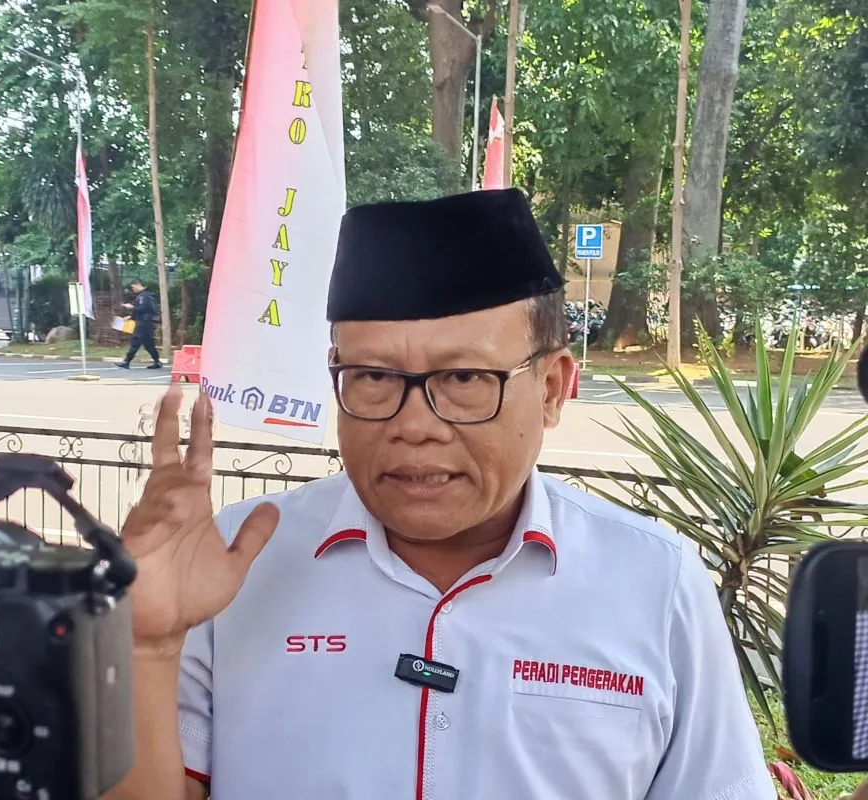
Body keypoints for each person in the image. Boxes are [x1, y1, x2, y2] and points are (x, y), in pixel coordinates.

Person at [104, 189, 775, 800]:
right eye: (372, 376)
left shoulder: (655, 585)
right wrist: (147, 646)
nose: (413, 425)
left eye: (462, 377)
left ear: (549, 389)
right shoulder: (230, 569)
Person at [119, 280, 162, 369]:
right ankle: (157, 361)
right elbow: (140, 311)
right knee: (149, 344)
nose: (133, 289)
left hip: (144, 324)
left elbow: (142, 309)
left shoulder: (144, 296)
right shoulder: (143, 296)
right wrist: (130, 317)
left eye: (133, 287)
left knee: (135, 342)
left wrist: (132, 307)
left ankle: (126, 361)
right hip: (146, 323)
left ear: (139, 285)